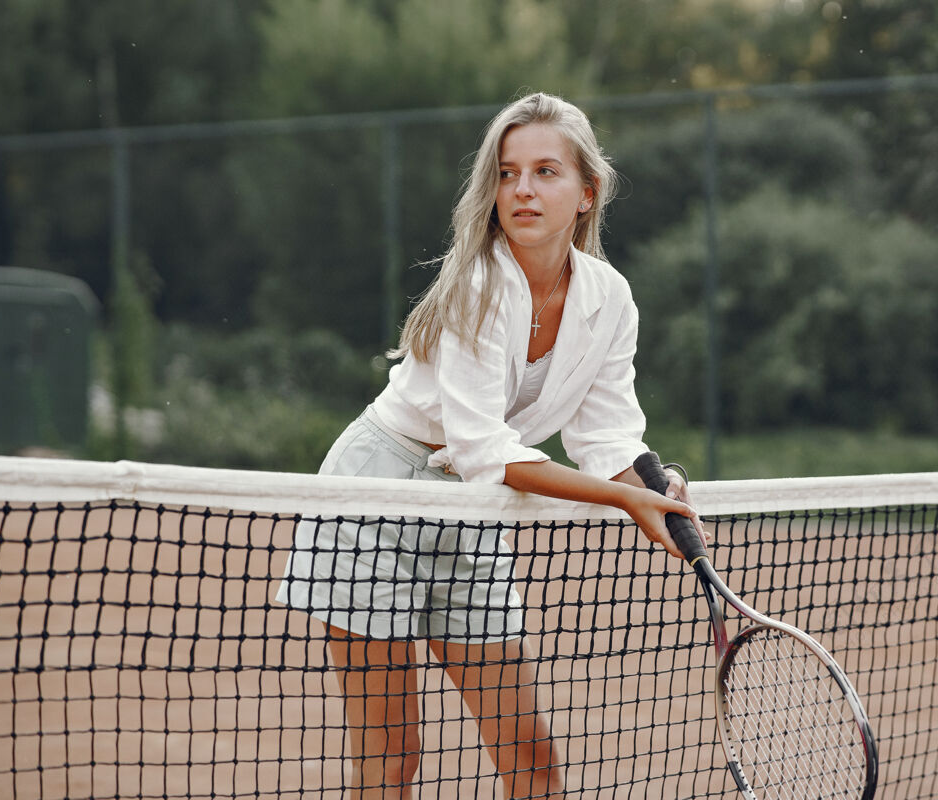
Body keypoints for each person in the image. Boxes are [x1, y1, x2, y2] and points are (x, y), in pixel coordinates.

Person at [276, 92, 703, 799]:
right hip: (375, 496)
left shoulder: (611, 298)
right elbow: (484, 450)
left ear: (587, 193)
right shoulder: (476, 286)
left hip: (476, 510)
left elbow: (607, 434)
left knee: (532, 762)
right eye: (508, 174)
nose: (523, 190)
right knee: (393, 761)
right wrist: (627, 498)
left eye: (545, 172)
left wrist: (656, 487)